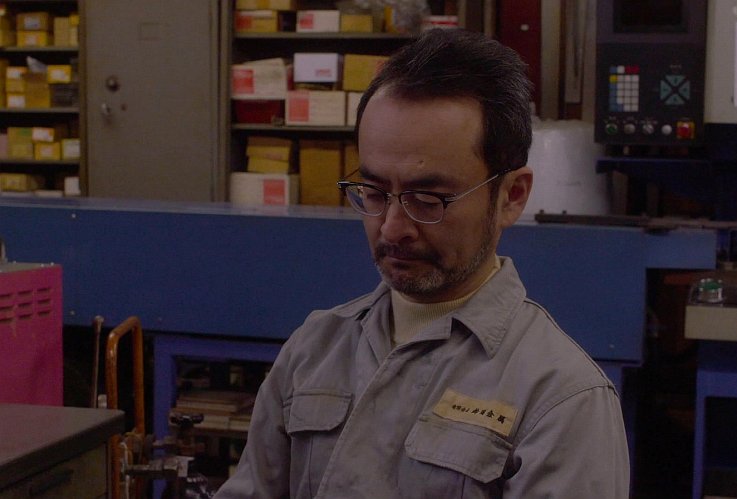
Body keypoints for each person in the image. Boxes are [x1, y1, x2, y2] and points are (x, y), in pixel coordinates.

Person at [215, 28, 630, 498]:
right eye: (374, 192)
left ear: (511, 196)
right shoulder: (314, 349)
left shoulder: (561, 398)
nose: (392, 228)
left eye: (428, 198)